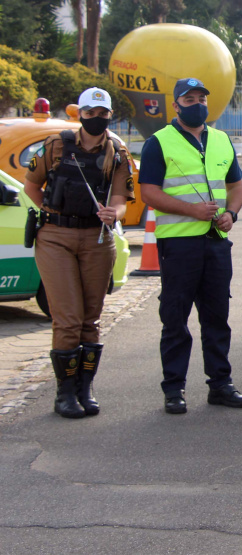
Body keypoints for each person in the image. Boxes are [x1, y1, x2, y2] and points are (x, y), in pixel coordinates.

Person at [139, 77, 242, 414]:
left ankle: (221, 384)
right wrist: (192, 210)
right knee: (175, 318)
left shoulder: (222, 140)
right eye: (189, 100)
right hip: (178, 245)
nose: (197, 104)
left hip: (216, 243)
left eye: (202, 98)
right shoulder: (158, 142)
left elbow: (236, 185)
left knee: (217, 317)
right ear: (176, 106)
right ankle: (174, 389)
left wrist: (231, 213)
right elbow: (149, 192)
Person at [23, 87, 134, 419]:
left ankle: (85, 388)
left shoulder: (117, 152)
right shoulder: (56, 145)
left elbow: (121, 199)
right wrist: (51, 209)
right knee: (68, 319)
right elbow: (31, 185)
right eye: (90, 113)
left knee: (90, 319)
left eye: (102, 114)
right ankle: (65, 392)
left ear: (109, 116)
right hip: (55, 237)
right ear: (80, 114)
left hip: (96, 237)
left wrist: (114, 213)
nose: (96, 118)